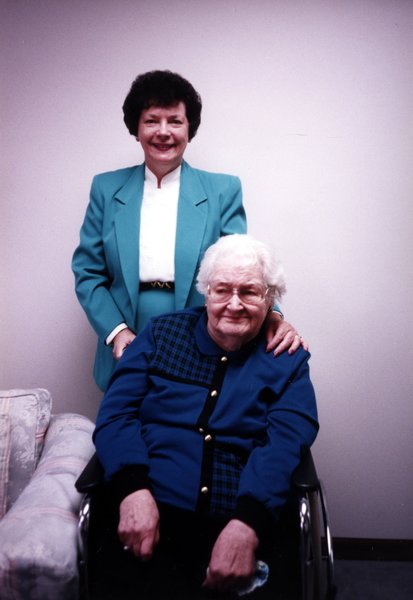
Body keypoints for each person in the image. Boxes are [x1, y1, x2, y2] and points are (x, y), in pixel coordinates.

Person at [91, 234, 318, 599]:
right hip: (149, 506)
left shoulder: (286, 357)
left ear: (270, 299)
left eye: (249, 292)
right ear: (206, 293)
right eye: (221, 290)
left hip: (240, 515)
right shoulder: (160, 334)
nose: (234, 304)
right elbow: (116, 415)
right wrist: (132, 491)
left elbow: (285, 443)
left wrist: (247, 525)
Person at [72, 70, 306, 391]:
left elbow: (241, 264)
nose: (163, 132)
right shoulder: (106, 188)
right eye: (151, 121)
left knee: (190, 415)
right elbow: (88, 272)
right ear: (136, 129)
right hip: (126, 333)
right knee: (125, 416)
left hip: (200, 331)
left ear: (189, 129)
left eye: (175, 121)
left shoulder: (223, 190)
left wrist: (273, 316)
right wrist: (117, 331)